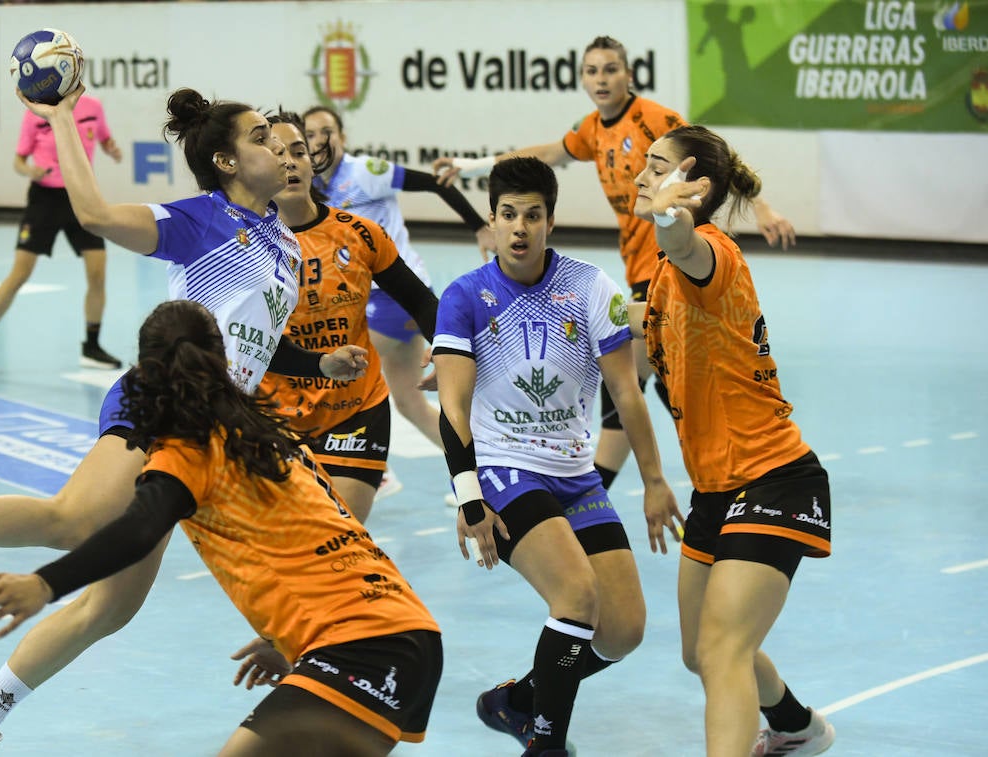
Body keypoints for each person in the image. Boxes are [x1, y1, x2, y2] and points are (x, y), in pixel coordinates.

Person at [0, 85, 367, 755]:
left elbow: (255, 337)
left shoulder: (286, 243)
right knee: (77, 518)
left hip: (213, 427)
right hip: (163, 398)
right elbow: (90, 212)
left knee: (110, 607)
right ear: (227, 162)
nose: (286, 151)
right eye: (264, 138)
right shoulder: (201, 222)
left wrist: (316, 365)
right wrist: (62, 116)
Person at [0, 299, 443, 755]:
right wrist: (283, 638)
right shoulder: (267, 432)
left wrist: (45, 583)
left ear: (144, 373)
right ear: (222, 361)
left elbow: (138, 530)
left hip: (359, 649)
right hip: (404, 631)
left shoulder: (186, 451)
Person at [433, 35, 797, 494]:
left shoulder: (655, 121)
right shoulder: (592, 128)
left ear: (628, 74)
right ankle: (649, 481)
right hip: (644, 272)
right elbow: (546, 155)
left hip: (667, 266)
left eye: (610, 69)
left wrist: (760, 207)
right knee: (649, 381)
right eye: (592, 71)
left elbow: (713, 160)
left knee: (635, 383)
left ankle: (601, 487)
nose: (601, 79)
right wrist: (474, 164)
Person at [431, 157, 681, 756]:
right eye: (509, 215)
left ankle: (517, 702)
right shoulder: (463, 297)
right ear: (491, 221)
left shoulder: (593, 287)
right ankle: (545, 744)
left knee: (623, 631)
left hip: (574, 475)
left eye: (533, 216)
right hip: (501, 469)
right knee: (577, 597)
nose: (520, 228)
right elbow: (454, 410)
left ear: (551, 221)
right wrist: (469, 498)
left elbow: (625, 393)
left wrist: (653, 481)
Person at [630, 124, 834, 757]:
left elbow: (686, 243)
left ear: (694, 184)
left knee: (723, 647)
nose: (640, 175)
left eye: (656, 167)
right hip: (716, 490)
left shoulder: (709, 252)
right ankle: (797, 724)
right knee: (702, 652)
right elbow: (624, 337)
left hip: (774, 477)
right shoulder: (664, 279)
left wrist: (670, 217)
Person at [304, 105, 496, 500]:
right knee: (408, 401)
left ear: (342, 136)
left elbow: (436, 183)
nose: (319, 139)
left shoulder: (365, 172)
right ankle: (478, 471)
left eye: (328, 130)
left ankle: (372, 467)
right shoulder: (310, 186)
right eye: (311, 133)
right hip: (369, 298)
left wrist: (478, 225)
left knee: (332, 364)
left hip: (394, 294)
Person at [261, 112, 439, 523]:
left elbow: (422, 301)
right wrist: (320, 365)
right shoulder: (243, 246)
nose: (290, 162)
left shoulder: (358, 233)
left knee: (340, 537)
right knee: (296, 547)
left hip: (356, 412)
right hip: (277, 416)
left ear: (312, 163)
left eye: (299, 151)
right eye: (276, 154)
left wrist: (446, 348)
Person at [0, 93, 124, 373]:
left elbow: (104, 138)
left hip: (81, 196)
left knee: (97, 272)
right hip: (44, 201)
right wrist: (31, 170)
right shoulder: (37, 112)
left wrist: (111, 148)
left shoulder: (93, 106)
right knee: (19, 274)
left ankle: (91, 347)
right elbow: (18, 161)